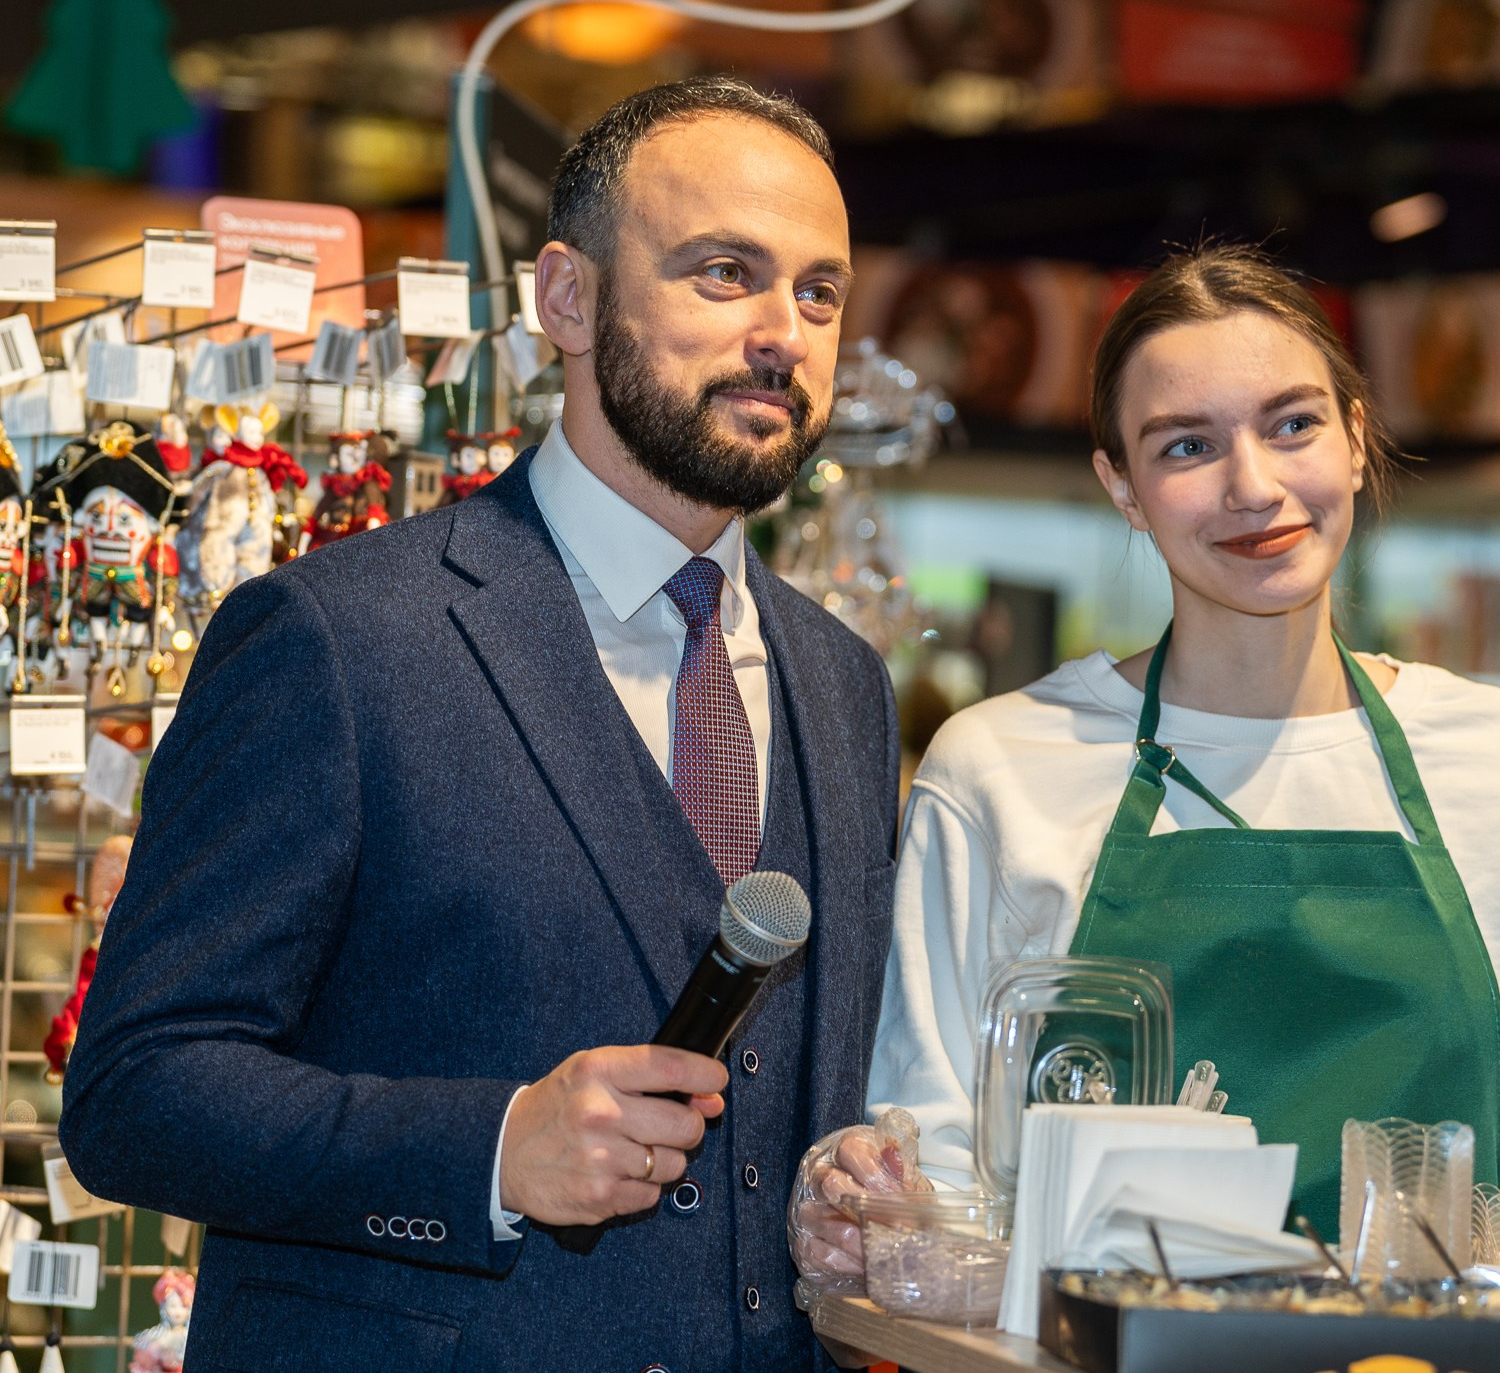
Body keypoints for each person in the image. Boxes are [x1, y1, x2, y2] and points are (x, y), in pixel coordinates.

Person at [62, 75, 901, 1373]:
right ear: (566, 297)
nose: (783, 332)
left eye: (820, 291)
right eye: (724, 273)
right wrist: (493, 1145)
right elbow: (137, 1093)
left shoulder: (843, 682)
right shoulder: (339, 638)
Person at [807, 242, 1500, 1283]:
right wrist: (873, 1203)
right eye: (1186, 446)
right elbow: (935, 1177)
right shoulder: (1000, 769)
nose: (1253, 486)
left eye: (1293, 425)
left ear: (1357, 439)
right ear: (1122, 487)